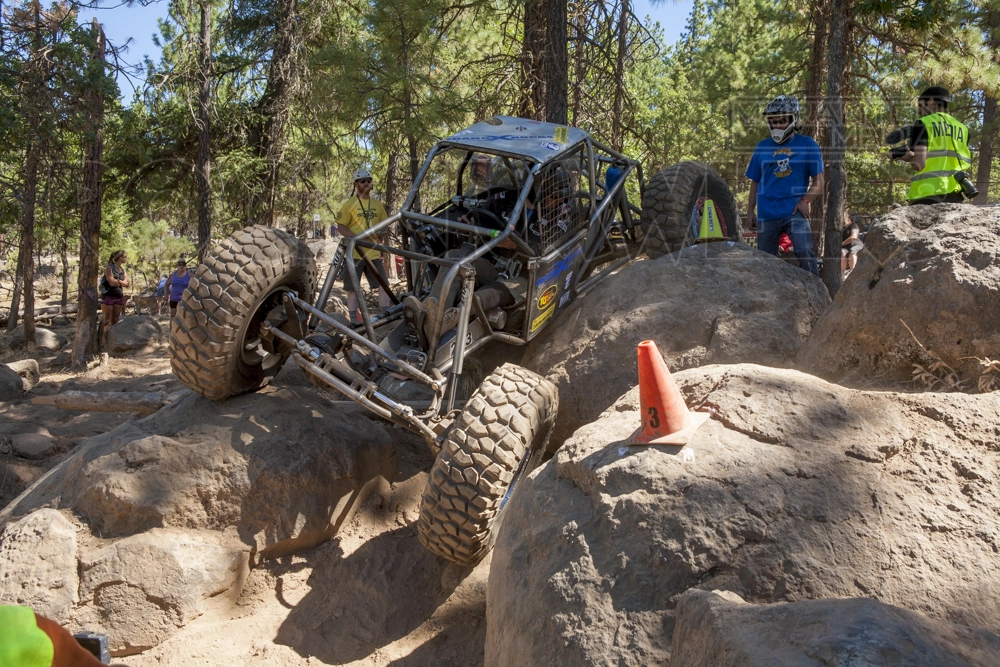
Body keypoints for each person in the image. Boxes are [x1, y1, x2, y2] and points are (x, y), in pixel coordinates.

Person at [746, 95, 824, 276]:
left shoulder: (808, 145)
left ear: (793, 119)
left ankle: (818, 292)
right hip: (766, 214)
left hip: (794, 211)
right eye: (773, 121)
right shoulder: (762, 147)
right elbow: (755, 181)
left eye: (782, 121)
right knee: (765, 262)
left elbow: (819, 182)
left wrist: (805, 200)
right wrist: (751, 211)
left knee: (805, 251)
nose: (777, 126)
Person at [335, 168, 393, 322]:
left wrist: (377, 234)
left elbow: (385, 227)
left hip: (373, 254)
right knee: (352, 288)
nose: (366, 183)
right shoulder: (349, 204)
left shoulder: (378, 205)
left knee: (384, 285)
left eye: (368, 180)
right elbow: (341, 226)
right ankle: (354, 320)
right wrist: (356, 239)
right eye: (362, 181)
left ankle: (385, 316)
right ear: (356, 183)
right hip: (354, 254)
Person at [897, 86, 972, 205]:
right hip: (955, 196)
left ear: (931, 101)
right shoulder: (964, 129)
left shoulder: (923, 123)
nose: (919, 111)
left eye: (920, 106)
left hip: (926, 195)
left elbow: (919, 164)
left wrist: (909, 157)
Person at [100, 249, 129, 346]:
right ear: (120, 258)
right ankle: (104, 341)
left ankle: (113, 342)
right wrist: (121, 282)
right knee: (106, 320)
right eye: (125, 257)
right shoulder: (109, 268)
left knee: (115, 320)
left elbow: (127, 283)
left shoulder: (123, 270)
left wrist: (119, 282)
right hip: (108, 296)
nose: (126, 258)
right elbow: (111, 282)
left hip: (119, 296)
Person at [841, 210, 863, 276]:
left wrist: (842, 243)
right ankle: (842, 274)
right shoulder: (839, 229)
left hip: (855, 244)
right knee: (842, 252)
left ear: (847, 217)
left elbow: (854, 236)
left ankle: (852, 273)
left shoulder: (853, 225)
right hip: (845, 246)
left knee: (852, 251)